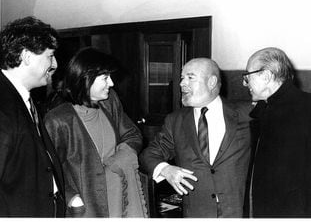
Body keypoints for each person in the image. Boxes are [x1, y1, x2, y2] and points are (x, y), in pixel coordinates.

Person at [139, 58, 252, 217]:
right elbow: (148, 155)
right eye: (182, 78)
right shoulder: (176, 120)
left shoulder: (247, 113)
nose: (181, 84)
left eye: (190, 77)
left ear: (212, 82)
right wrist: (166, 169)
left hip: (239, 213)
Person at [44, 47, 148, 217]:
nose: (112, 84)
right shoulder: (57, 119)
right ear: (85, 78)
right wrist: (71, 198)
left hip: (119, 195)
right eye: (105, 78)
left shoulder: (110, 101)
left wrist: (123, 155)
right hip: (87, 205)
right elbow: (49, 169)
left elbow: (133, 134)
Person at [0, 16, 65, 217]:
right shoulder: (2, 105)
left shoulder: (21, 98)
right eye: (50, 56)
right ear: (27, 56)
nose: (54, 65)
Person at [243, 47, 311, 217]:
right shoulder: (264, 109)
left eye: (247, 76)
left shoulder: (306, 108)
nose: (245, 83)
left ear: (266, 76)